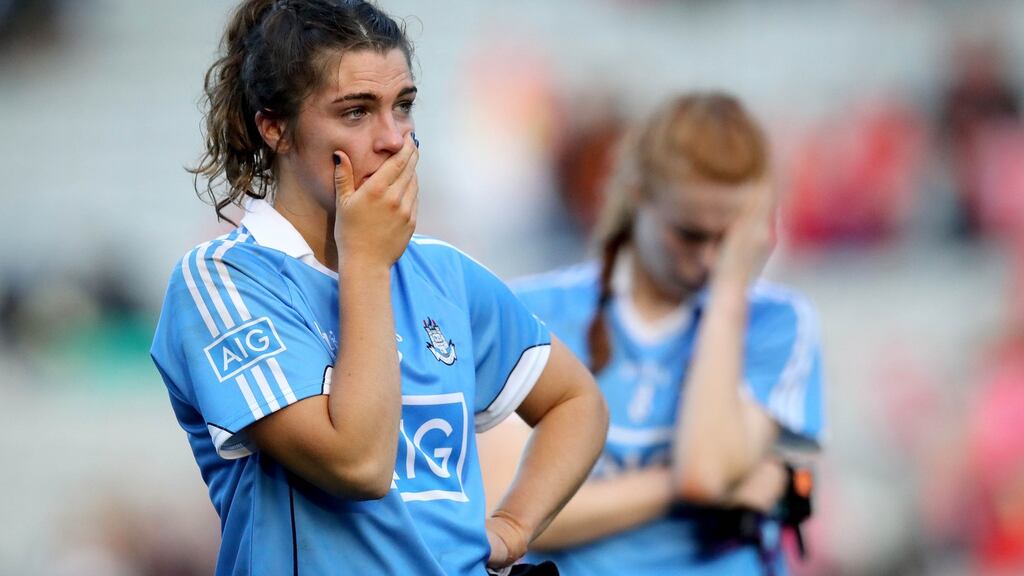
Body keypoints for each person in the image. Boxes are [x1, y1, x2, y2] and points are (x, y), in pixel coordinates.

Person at [149, 1, 608, 574]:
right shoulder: (224, 280)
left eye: (404, 106)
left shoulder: (444, 274)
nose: (393, 138)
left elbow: (576, 402)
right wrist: (365, 262)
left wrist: (513, 527)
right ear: (275, 128)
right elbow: (360, 466)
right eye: (356, 112)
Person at [480, 92, 825, 575]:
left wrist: (730, 290)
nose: (708, 258)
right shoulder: (531, 309)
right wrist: (681, 486)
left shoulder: (778, 322)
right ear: (638, 194)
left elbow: (705, 469)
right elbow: (506, 513)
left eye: (728, 239)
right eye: (689, 234)